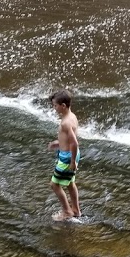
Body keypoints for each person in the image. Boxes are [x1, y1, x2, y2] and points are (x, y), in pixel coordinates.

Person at [48, 89, 82, 222]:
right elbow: (69, 140)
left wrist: (73, 162)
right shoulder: (72, 116)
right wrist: (57, 143)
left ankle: (67, 211)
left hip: (67, 157)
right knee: (70, 183)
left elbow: (74, 143)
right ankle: (76, 210)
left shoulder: (65, 123)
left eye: (55, 105)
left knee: (54, 184)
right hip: (70, 154)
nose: (54, 108)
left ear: (63, 106)